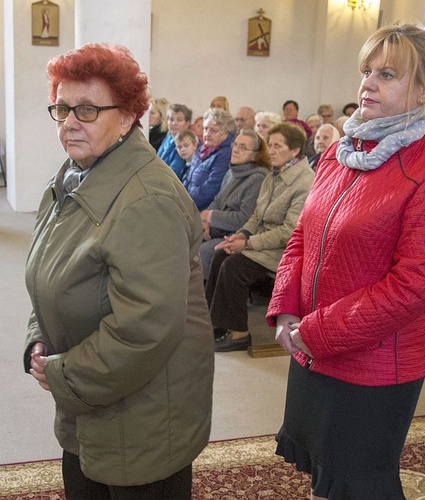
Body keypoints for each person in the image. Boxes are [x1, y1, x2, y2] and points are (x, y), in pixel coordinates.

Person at [268, 24, 425, 499]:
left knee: (360, 483)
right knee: (325, 473)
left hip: (374, 363)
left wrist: (316, 331)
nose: (368, 84)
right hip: (313, 343)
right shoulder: (343, 152)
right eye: (366, 71)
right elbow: (303, 235)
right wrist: (287, 306)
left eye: (387, 74)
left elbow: (413, 287)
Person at [26, 43, 213, 499]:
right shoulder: (74, 174)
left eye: (87, 109)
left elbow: (144, 330)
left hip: (143, 414)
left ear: (128, 117)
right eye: (63, 107)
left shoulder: (147, 200)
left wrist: (62, 373)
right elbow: (51, 275)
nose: (70, 121)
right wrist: (39, 337)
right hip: (90, 395)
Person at [206, 122, 314, 351]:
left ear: (294, 151)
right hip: (262, 243)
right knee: (220, 256)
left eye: (278, 146)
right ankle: (214, 324)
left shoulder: (304, 181)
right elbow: (257, 215)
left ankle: (239, 334)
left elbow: (289, 232)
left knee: (234, 267)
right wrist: (240, 235)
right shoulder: (272, 176)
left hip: (284, 250)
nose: (272, 150)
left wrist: (248, 243)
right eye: (270, 145)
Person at [198, 128, 271, 279]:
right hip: (217, 228)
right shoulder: (232, 172)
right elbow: (217, 201)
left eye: (243, 147)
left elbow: (244, 218)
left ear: (256, 154)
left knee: (204, 251)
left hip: (234, 235)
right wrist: (205, 221)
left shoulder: (257, 178)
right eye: (235, 145)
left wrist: (210, 216)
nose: (236, 150)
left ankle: (204, 298)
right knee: (183, 237)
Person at [182, 108, 235, 210]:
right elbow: (188, 178)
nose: (207, 134)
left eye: (214, 130)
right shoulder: (202, 148)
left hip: (203, 209)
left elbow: (211, 190)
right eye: (205, 129)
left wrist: (186, 204)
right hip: (188, 204)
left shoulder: (226, 153)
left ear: (226, 133)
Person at [157, 103, 193, 177]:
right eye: (171, 119)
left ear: (187, 123)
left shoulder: (187, 142)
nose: (174, 123)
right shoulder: (168, 138)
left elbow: (175, 170)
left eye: (179, 120)